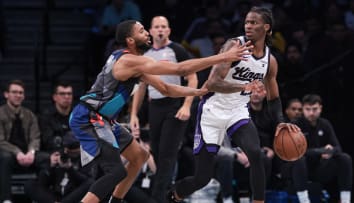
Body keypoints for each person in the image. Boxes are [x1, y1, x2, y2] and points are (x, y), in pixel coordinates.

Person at [69, 19, 253, 203]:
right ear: (130, 40)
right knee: (116, 172)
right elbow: (180, 69)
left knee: (140, 156)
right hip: (89, 118)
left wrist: (198, 92)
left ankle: (115, 201)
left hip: (104, 119)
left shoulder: (132, 63)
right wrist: (223, 57)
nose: (147, 33)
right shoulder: (129, 61)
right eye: (142, 31)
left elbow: (166, 89)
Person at [168, 7, 300, 203]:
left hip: (237, 112)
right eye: (247, 22)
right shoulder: (234, 45)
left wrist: (280, 121)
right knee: (202, 178)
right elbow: (212, 83)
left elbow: (273, 98)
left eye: (254, 22)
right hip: (212, 111)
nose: (248, 25)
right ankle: (173, 194)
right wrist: (243, 86)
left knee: (257, 155)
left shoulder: (270, 61)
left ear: (267, 28)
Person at [129, 16, 198, 203]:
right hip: (155, 106)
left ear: (168, 30)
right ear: (150, 31)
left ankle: (157, 199)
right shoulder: (146, 55)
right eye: (156, 27)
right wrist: (134, 114)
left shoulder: (177, 50)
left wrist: (186, 105)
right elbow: (141, 87)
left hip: (174, 106)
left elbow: (192, 78)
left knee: (168, 155)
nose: (160, 30)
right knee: (158, 154)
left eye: (164, 27)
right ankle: (171, 196)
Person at [289, 94, 353, 203]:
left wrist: (330, 151)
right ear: (303, 109)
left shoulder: (325, 124)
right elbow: (296, 152)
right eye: (307, 109)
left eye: (315, 109)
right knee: (299, 159)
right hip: (299, 169)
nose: (311, 113)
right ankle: (304, 200)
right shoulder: (295, 125)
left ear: (320, 108)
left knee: (345, 158)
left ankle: (346, 200)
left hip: (319, 168)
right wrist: (321, 151)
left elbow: (338, 148)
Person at [0, 80, 44, 203]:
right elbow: (0, 141)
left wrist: (31, 152)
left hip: (26, 154)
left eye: (21, 93)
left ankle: (42, 197)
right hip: (8, 154)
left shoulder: (29, 115)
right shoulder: (0, 113)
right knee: (5, 157)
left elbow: (35, 137)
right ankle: (6, 199)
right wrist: (17, 152)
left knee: (47, 159)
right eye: (14, 92)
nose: (18, 95)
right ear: (6, 94)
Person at [24, 131, 93, 203]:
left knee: (90, 183)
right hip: (55, 197)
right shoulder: (59, 155)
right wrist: (50, 166)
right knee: (29, 184)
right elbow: (42, 183)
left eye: (73, 153)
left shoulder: (86, 158)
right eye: (68, 152)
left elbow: (87, 183)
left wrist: (70, 169)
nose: (70, 154)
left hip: (73, 196)